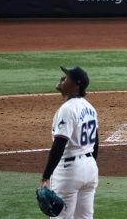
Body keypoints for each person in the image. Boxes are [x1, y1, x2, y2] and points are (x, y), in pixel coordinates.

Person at [40, 66, 98, 219]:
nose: (61, 78)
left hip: (69, 172)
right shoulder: (90, 108)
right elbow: (96, 143)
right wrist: (89, 165)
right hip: (90, 168)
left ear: (75, 86)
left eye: (67, 78)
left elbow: (59, 144)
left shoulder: (67, 109)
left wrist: (45, 177)